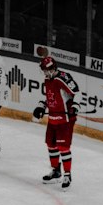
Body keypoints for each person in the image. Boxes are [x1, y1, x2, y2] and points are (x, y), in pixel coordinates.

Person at [32, 54, 79, 189]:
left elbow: (77, 93)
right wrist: (41, 107)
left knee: (63, 148)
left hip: (65, 119)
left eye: (46, 70)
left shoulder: (63, 78)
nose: (45, 73)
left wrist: (75, 107)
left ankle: (67, 175)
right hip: (53, 118)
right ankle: (56, 171)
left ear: (53, 68)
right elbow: (49, 97)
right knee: (51, 145)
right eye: (44, 70)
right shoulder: (47, 79)